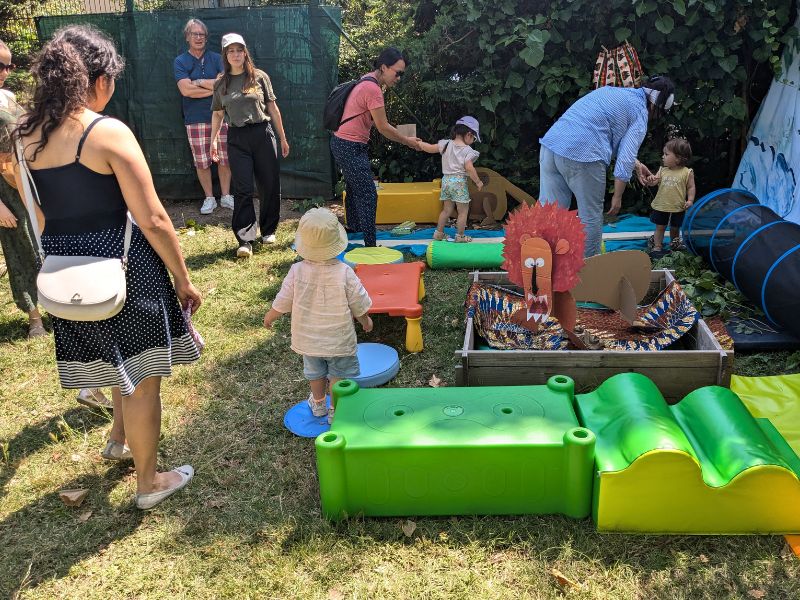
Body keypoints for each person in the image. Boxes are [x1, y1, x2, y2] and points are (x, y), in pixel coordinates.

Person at [14, 25, 202, 509]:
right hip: (124, 266)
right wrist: (183, 278)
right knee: (142, 379)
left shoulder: (25, 137)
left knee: (114, 363)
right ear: (95, 79)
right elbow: (155, 218)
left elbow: (37, 215)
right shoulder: (106, 131)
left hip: (64, 270)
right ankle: (148, 483)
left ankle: (119, 441)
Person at [538, 76, 676, 257]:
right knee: (590, 216)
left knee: (550, 213)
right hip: (584, 154)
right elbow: (624, 159)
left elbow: (603, 130)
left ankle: (540, 264)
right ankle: (590, 271)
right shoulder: (640, 113)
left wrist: (637, 164)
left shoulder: (613, 91)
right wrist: (617, 197)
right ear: (658, 106)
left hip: (551, 146)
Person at [263, 208, 372, 424]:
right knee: (338, 374)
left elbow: (284, 299)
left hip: (308, 338)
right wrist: (365, 321)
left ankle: (319, 403)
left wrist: (270, 316)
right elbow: (358, 301)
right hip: (338, 338)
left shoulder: (296, 271)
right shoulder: (344, 271)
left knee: (315, 373)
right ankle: (335, 409)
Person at [329, 47, 421, 247]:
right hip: (348, 145)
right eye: (398, 73)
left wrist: (409, 136)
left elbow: (378, 121)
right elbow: (384, 128)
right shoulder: (373, 88)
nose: (399, 78)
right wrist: (408, 141)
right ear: (384, 67)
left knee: (355, 188)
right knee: (368, 193)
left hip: (345, 143)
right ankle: (370, 245)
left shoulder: (368, 80)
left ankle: (354, 231)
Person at [210, 33, 289, 259]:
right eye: (230, 51)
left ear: (245, 52)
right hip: (237, 138)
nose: (235, 54)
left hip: (262, 134)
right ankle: (245, 239)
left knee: (269, 184)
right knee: (243, 189)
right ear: (225, 55)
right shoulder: (220, 83)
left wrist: (282, 138)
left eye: (239, 50)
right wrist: (213, 140)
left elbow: (273, 109)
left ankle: (269, 231)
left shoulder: (260, 77)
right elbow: (217, 114)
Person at [0, 39, 47, 338]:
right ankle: (35, 318)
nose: (4, 71)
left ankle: (57, 304)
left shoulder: (7, 96)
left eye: (8, 65)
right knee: (21, 249)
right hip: (4, 191)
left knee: (42, 242)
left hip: (25, 179)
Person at [174, 18, 233, 215]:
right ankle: (209, 198)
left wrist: (197, 81)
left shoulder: (217, 58)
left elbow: (224, 84)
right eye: (195, 34)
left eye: (202, 35)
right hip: (195, 119)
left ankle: (226, 196)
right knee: (202, 161)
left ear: (206, 38)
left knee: (225, 158)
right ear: (187, 37)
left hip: (222, 116)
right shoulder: (180, 61)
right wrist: (213, 88)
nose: (199, 38)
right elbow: (185, 91)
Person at [418, 116, 484, 243]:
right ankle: (460, 236)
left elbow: (429, 148)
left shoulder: (446, 144)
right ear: (469, 134)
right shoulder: (467, 150)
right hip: (459, 182)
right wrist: (478, 182)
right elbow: (469, 168)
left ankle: (438, 233)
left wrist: (418, 143)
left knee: (446, 210)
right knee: (463, 211)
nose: (473, 141)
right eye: (474, 138)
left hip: (446, 181)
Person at [645, 137, 695, 256]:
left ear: (678, 158)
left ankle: (674, 244)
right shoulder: (662, 170)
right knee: (660, 227)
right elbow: (653, 183)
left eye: (666, 154)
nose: (663, 156)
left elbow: (691, 187)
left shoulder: (687, 172)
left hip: (678, 206)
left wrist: (690, 200)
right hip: (661, 205)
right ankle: (657, 246)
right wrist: (650, 179)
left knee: (675, 228)